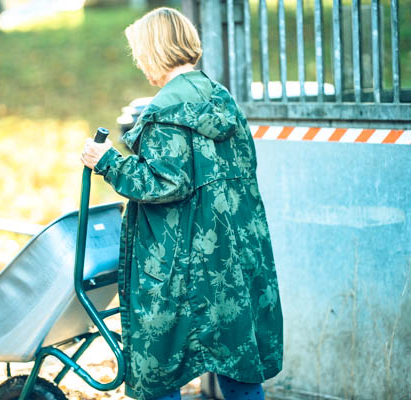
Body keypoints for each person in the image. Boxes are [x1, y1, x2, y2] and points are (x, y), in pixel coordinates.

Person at [81, 7, 283, 400]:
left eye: (139, 52)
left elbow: (166, 183)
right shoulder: (221, 99)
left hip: (181, 262)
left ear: (155, 50)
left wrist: (107, 162)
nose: (139, 62)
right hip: (233, 256)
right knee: (237, 360)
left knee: (157, 366)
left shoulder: (165, 111)